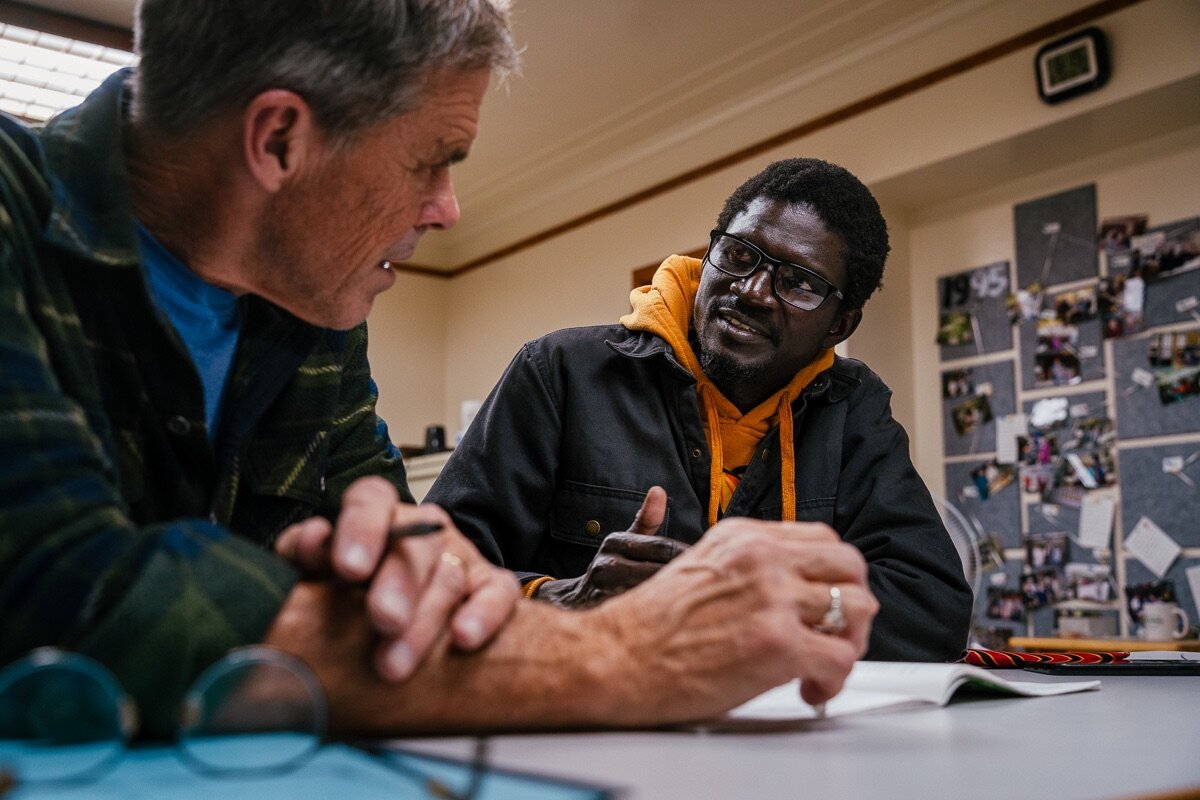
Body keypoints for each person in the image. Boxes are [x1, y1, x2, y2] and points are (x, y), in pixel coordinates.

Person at [0, 1, 877, 738]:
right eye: (435, 159)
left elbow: (414, 585)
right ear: (277, 140)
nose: (448, 209)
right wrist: (632, 652)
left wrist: (421, 578)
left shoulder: (309, 293)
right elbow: (54, 592)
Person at [428, 158, 971, 661]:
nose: (754, 291)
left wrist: (745, 601)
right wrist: (558, 599)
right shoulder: (560, 372)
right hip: (586, 724)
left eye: (799, 283)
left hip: (786, 744)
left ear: (839, 325)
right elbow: (439, 568)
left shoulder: (852, 410)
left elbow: (932, 612)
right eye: (739, 255)